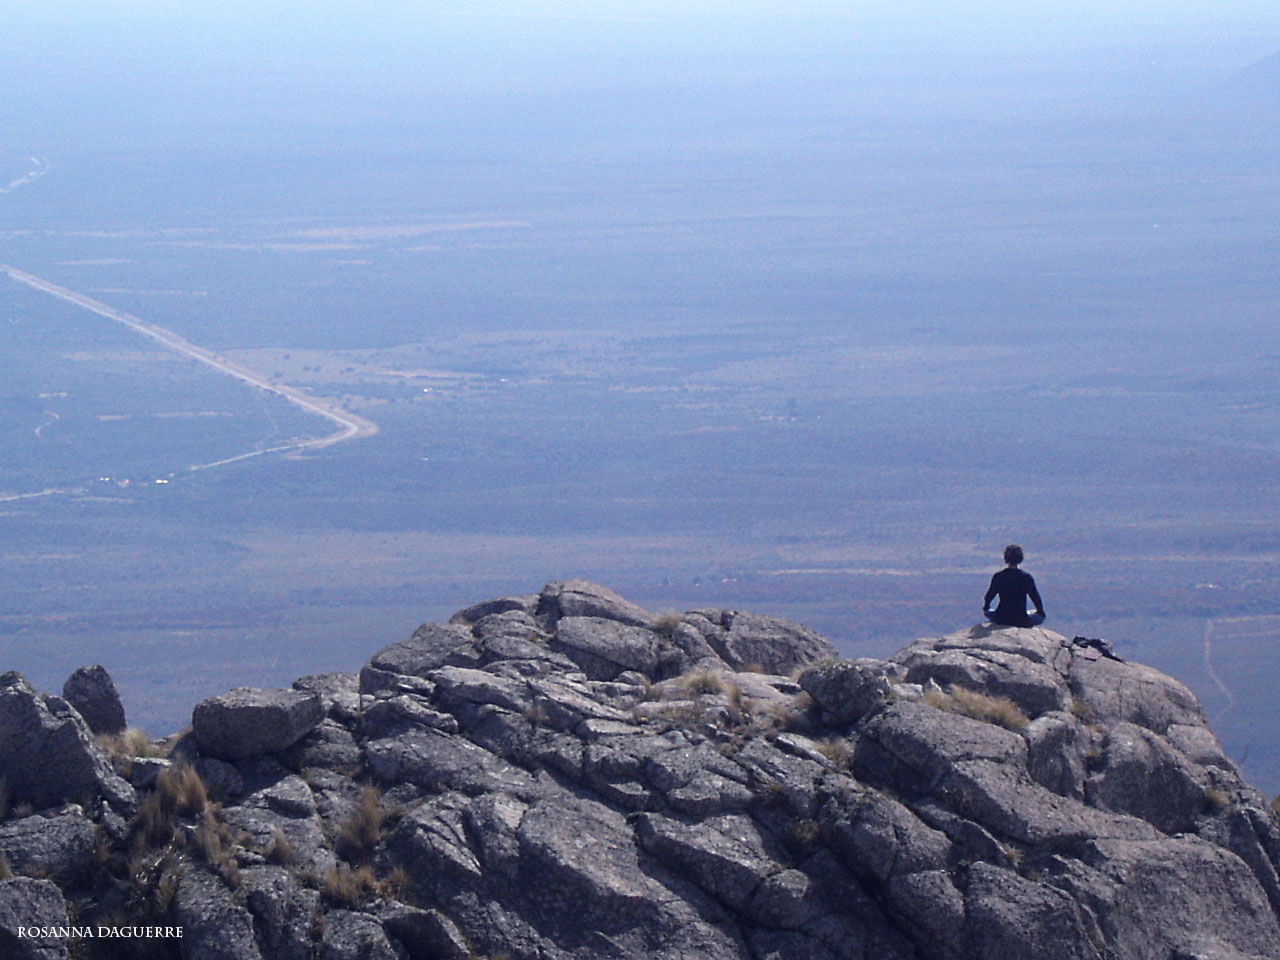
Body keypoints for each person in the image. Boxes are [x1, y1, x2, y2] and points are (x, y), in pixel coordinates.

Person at [983, 544, 1045, 627]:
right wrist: (1041, 612)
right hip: (1021, 620)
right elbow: (1035, 598)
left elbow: (988, 597)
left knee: (988, 612)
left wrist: (986, 607)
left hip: (1001, 618)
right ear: (1021, 558)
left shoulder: (999, 576)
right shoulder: (1026, 577)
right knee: (1036, 615)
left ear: (1005, 558)